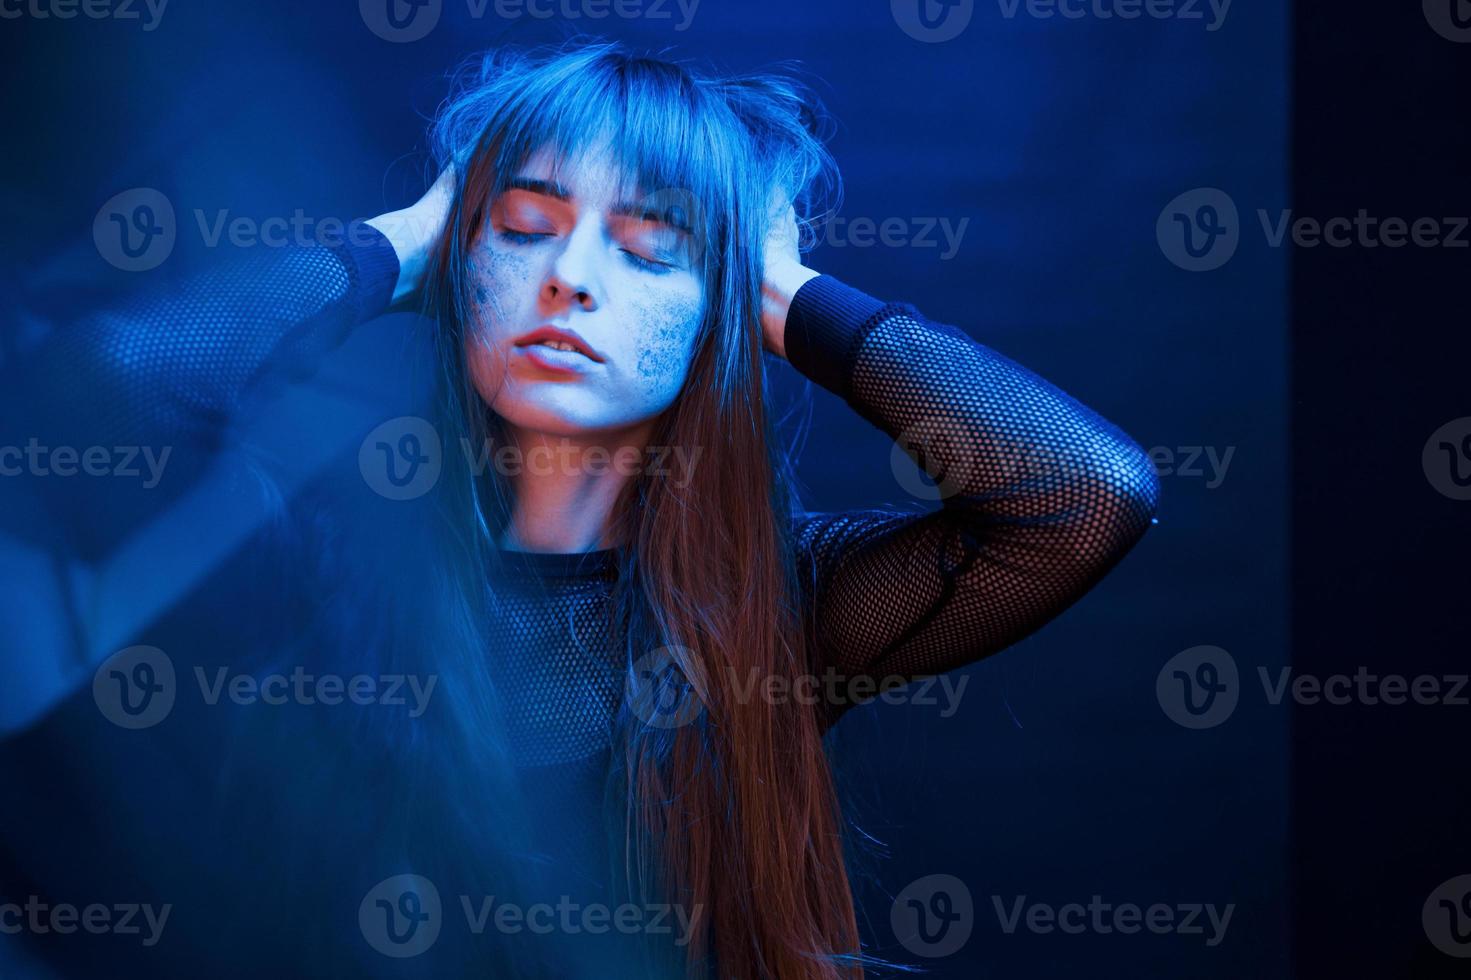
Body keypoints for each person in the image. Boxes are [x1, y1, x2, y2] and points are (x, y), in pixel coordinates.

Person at [0, 39, 1159, 979]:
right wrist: (402, 246)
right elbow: (93, 394)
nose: (571, 276)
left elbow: (1083, 494)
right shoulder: (325, 563)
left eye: (653, 246)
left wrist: (780, 290)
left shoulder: (778, 607)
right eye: (522, 225)